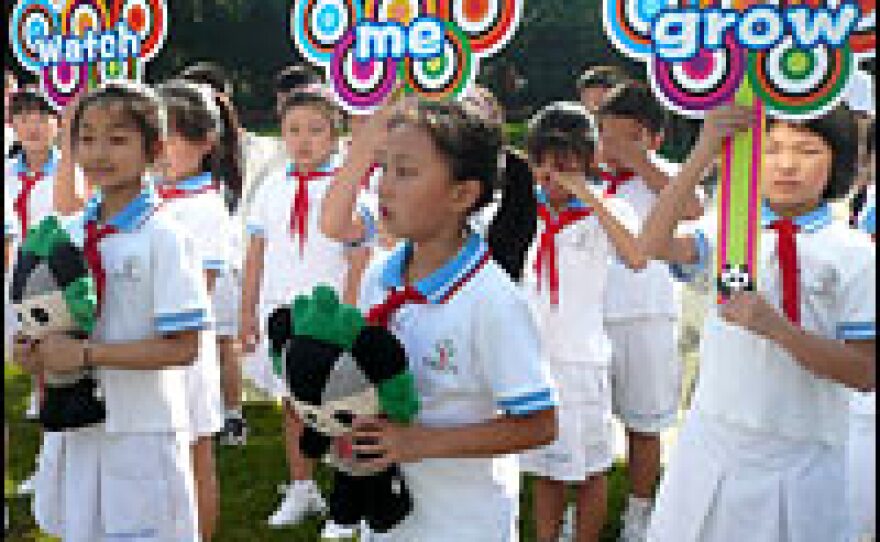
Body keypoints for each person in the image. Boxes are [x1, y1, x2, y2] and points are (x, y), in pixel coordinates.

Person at [641, 105, 875, 541]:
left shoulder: (855, 254)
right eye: (771, 149)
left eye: (807, 150)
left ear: (838, 161)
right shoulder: (730, 230)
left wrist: (778, 329)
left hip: (805, 456)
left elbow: (864, 372)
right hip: (714, 447)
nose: (787, 164)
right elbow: (651, 243)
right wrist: (705, 148)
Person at [341, 98, 557, 541]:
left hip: (464, 524)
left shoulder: (491, 299)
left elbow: (539, 423)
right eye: (383, 168)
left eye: (406, 172)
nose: (384, 187)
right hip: (388, 520)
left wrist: (421, 444)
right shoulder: (380, 278)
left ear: (462, 194)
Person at [17, 81, 209, 542]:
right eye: (87, 138)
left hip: (141, 431)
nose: (99, 153)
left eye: (118, 139)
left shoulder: (165, 237)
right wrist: (35, 352)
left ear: (155, 149)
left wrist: (87, 356)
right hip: (78, 428)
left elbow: (183, 347)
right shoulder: (67, 233)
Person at [240, 84, 371, 537]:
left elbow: (359, 255)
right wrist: (247, 314)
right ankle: (301, 486)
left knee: (343, 408)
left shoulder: (349, 187)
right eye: (293, 130)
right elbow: (256, 252)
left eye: (316, 130)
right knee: (293, 403)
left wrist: (351, 318)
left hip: (331, 316)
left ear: (336, 134)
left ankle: (349, 499)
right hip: (282, 315)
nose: (303, 140)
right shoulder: (272, 186)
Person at [517, 102, 645, 542]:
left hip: (582, 359)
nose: (555, 172)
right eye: (545, 160)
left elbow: (636, 255)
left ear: (589, 160)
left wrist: (587, 194)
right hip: (532, 357)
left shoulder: (609, 211)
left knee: (590, 468)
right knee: (545, 468)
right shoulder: (519, 212)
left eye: (568, 160)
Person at [593, 82, 702, 542]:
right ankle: (581, 512)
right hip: (589, 319)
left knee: (645, 423)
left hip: (647, 317)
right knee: (588, 424)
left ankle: (639, 515)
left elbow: (695, 208)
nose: (611, 149)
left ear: (653, 137)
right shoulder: (589, 178)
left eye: (625, 137)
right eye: (606, 136)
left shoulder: (666, 176)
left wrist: (638, 159)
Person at [156, 80, 240, 541]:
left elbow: (197, 291)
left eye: (172, 135)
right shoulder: (149, 198)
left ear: (205, 142)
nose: (160, 148)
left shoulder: (206, 207)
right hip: (148, 351)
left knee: (195, 458)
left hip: (185, 351)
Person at [4, 89, 65, 498]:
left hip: (52, 285)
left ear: (59, 124)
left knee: (54, 374)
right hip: (9, 281)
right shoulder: (5, 173)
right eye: (23, 117)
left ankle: (52, 465)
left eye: (42, 117)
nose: (32, 126)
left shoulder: (70, 175)